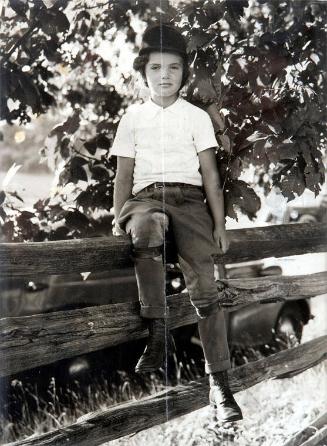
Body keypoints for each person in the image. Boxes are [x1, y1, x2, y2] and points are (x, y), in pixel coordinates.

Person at [110, 22, 243, 423]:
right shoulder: (132, 117)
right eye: (155, 68)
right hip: (145, 199)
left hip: (188, 202)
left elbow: (210, 176)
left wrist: (219, 224)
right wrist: (120, 217)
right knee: (146, 227)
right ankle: (158, 333)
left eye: (172, 68)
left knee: (205, 288)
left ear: (184, 73)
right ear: (143, 72)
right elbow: (123, 174)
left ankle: (220, 385)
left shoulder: (196, 117)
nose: (164, 75)